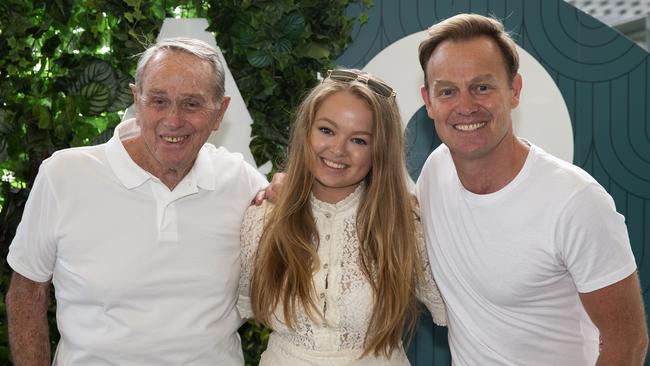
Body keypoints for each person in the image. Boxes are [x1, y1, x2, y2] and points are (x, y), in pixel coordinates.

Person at [5, 38, 269, 365]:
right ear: (136, 100)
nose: (173, 120)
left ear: (220, 112)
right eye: (158, 101)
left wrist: (290, 191)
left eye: (191, 104)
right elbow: (26, 294)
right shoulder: (65, 175)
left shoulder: (243, 184)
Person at [416, 13, 648, 365]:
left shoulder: (576, 201)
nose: (465, 106)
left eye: (482, 87)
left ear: (515, 91)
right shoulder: (434, 172)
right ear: (428, 102)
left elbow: (628, 343)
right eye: (447, 91)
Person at [237, 69, 446, 365]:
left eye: (358, 140)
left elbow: (456, 311)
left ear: (379, 151)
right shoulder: (262, 218)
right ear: (306, 131)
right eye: (326, 130)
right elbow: (238, 305)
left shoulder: (406, 225)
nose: (337, 149)